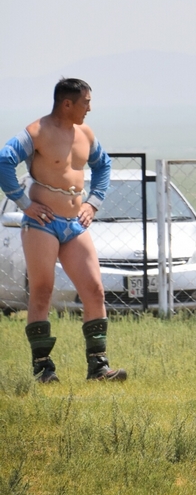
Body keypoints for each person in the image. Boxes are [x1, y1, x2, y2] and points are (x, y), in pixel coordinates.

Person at [0, 78, 125, 383]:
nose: (89, 108)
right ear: (67, 103)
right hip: (42, 224)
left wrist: (93, 202)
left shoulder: (85, 134)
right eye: (86, 102)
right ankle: (44, 369)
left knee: (94, 290)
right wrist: (24, 202)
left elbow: (103, 165)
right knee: (42, 290)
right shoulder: (36, 132)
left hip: (75, 225)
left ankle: (98, 368)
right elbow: (4, 161)